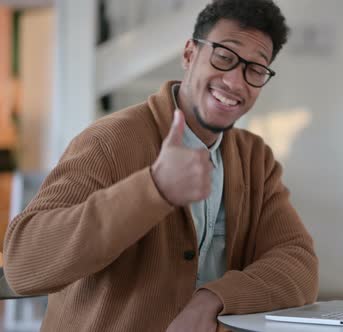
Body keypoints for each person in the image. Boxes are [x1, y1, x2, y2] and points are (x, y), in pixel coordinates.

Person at [2, 0, 319, 331]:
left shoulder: (254, 158)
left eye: (255, 69)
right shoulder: (109, 141)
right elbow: (23, 266)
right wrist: (154, 188)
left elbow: (298, 262)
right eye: (224, 57)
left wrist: (214, 299)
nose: (236, 83)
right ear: (188, 55)